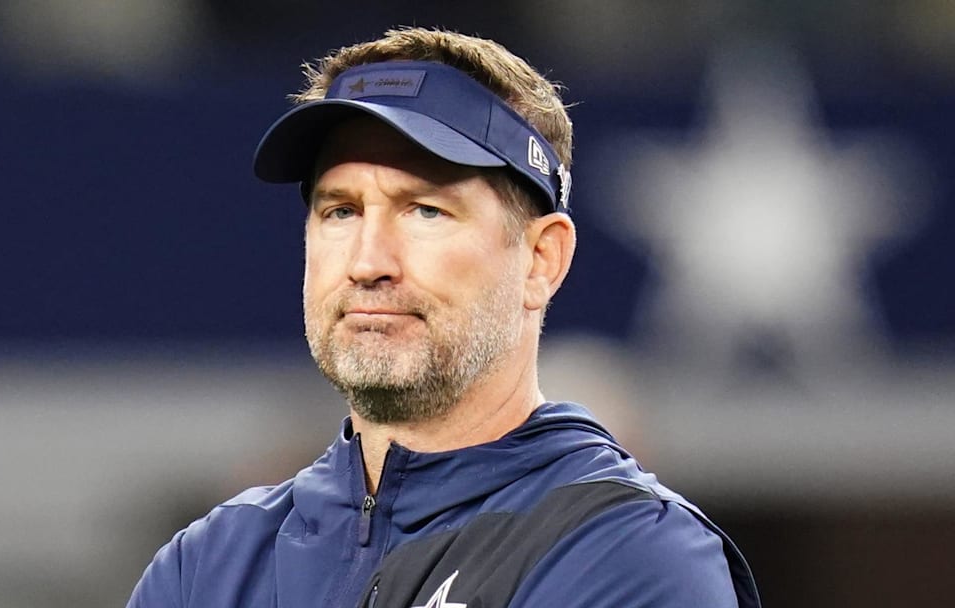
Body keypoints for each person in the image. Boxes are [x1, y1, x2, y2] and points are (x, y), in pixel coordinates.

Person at [127, 27, 761, 608]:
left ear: (542, 259)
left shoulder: (629, 554)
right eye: (340, 211)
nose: (368, 262)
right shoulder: (207, 565)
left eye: (424, 210)